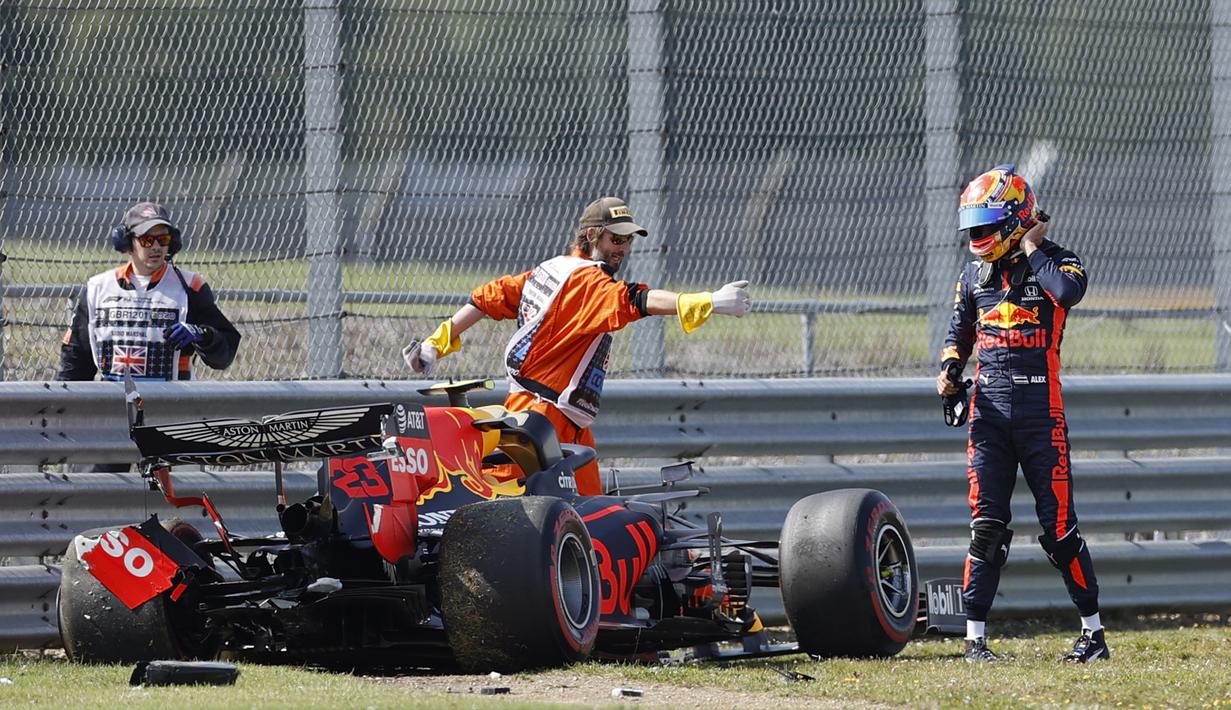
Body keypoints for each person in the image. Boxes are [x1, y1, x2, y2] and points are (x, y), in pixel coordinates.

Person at [402, 196, 751, 495]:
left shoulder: (552, 269)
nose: (624, 249)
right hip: (540, 420)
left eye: (628, 241)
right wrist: (709, 301)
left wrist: (436, 344)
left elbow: (488, 298)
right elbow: (637, 300)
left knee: (588, 519)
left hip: (565, 421)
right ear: (591, 235)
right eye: (616, 240)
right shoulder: (587, 282)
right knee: (510, 507)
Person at [935, 164, 1108, 664]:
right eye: (973, 226)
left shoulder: (1059, 262)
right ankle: (974, 642)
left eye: (987, 225)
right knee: (986, 527)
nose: (977, 236)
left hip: (1041, 415)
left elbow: (1068, 294)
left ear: (1016, 219)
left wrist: (1032, 246)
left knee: (1059, 530)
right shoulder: (973, 274)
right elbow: (957, 333)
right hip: (988, 416)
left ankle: (1093, 636)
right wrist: (948, 371)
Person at [57, 201, 241, 383]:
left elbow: (224, 355)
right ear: (127, 242)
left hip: (173, 406)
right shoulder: (98, 288)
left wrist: (203, 336)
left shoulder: (190, 287)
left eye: (163, 239)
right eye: (146, 239)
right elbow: (75, 360)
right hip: (113, 406)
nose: (156, 247)